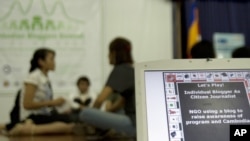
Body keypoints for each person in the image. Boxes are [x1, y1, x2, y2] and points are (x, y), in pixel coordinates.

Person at [6, 48, 76, 136]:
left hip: (42, 114)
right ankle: (25, 129)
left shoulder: (44, 78)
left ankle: (20, 127)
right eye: (51, 59)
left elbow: (45, 104)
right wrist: (52, 102)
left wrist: (58, 105)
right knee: (68, 124)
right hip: (32, 116)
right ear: (41, 62)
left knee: (69, 118)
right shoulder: (34, 77)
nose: (54, 62)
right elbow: (27, 104)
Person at [79, 37, 136, 137]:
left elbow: (99, 100)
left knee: (85, 113)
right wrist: (107, 112)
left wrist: (94, 117)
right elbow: (122, 102)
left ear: (114, 53)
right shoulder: (131, 69)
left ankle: (104, 130)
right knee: (118, 111)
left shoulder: (120, 69)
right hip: (137, 121)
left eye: (108, 52)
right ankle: (110, 131)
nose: (107, 56)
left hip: (132, 125)